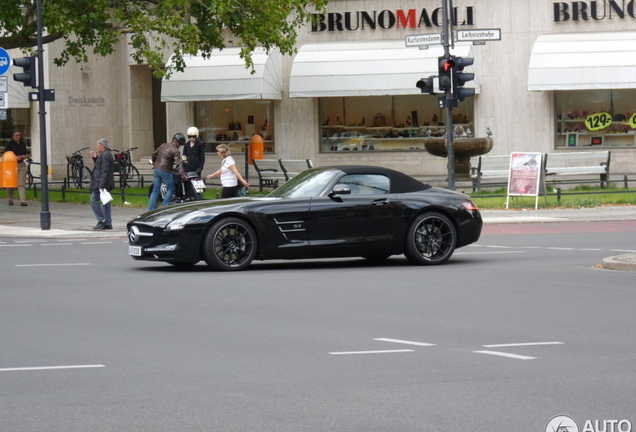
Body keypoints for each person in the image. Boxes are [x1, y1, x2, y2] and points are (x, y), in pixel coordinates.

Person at [147, 133, 186, 210]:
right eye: (180, 145)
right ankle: (165, 206)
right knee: (171, 188)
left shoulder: (163, 145)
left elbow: (154, 154)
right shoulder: (175, 150)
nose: (180, 147)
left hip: (156, 169)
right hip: (165, 170)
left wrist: (154, 163)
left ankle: (150, 209)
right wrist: (183, 174)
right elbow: (179, 163)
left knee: (155, 190)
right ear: (177, 143)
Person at [89, 139, 115, 230]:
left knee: (93, 200)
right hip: (104, 182)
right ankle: (108, 223)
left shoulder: (105, 155)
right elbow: (101, 167)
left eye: (97, 145)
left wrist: (101, 185)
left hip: (101, 183)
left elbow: (105, 171)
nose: (96, 147)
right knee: (106, 202)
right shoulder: (106, 154)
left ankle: (102, 220)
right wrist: (95, 158)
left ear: (102, 146)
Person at [4, 130, 29, 206]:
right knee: (11, 184)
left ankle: (23, 200)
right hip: (12, 165)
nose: (18, 137)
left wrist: (26, 156)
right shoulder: (10, 144)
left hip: (21, 164)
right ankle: (10, 199)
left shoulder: (22, 143)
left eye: (19, 135)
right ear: (13, 136)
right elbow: (6, 154)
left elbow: (25, 152)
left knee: (21, 183)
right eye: (16, 135)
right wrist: (15, 157)